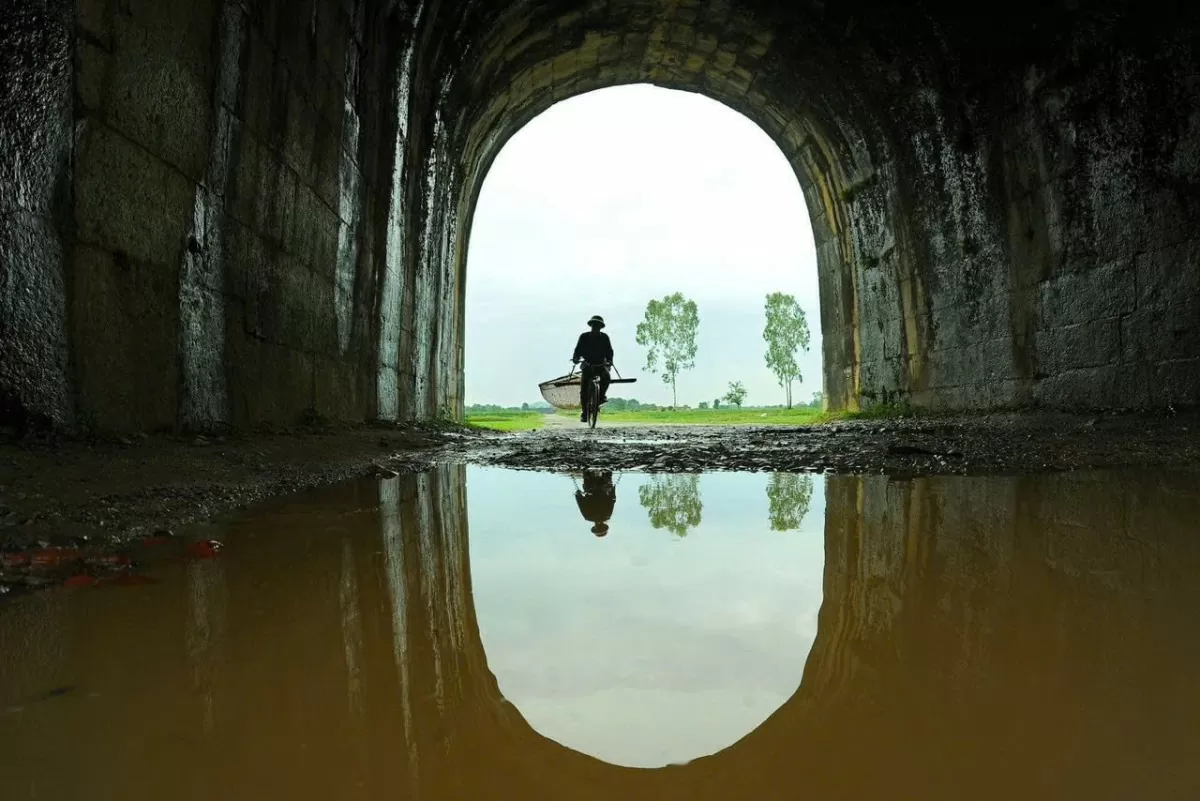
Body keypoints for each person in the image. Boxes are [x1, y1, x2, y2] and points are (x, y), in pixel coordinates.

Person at [571, 314, 613, 422]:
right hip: (588, 365)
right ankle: (585, 412)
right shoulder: (584, 337)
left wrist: (609, 361)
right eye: (594, 325)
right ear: (591, 326)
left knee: (607, 377)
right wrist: (575, 358)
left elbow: (609, 352)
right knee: (583, 389)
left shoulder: (605, 337)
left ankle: (601, 396)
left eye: (598, 326)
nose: (596, 327)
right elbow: (577, 350)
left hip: (601, 365)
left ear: (600, 327)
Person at [574, 470, 616, 537]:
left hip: (603, 488)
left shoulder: (607, 515)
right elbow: (580, 502)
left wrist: (613, 489)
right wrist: (578, 494)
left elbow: (612, 500)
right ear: (595, 527)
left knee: (607, 471)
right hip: (590, 487)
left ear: (604, 525)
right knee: (587, 472)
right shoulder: (588, 517)